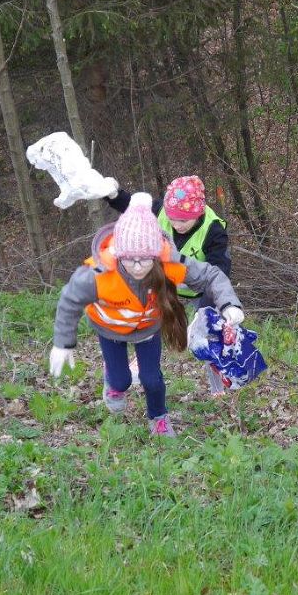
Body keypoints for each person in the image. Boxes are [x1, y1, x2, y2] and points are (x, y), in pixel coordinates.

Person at [48, 192, 244, 437]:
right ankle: (113, 384)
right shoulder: (99, 273)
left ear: (155, 254)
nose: (138, 266)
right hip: (111, 330)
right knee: (122, 381)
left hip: (148, 330)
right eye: (130, 260)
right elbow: (70, 299)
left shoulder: (167, 263)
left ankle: (158, 418)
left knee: (152, 380)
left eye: (146, 259)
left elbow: (211, 275)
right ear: (119, 253)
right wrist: (63, 343)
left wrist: (228, 304)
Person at [105, 175, 232, 393]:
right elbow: (131, 206)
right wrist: (113, 195)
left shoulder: (214, 230)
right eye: (173, 219)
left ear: (198, 213)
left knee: (210, 334)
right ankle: (137, 363)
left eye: (183, 220)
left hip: (201, 290)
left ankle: (219, 389)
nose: (176, 225)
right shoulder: (161, 210)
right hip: (166, 283)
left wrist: (203, 312)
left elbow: (218, 274)